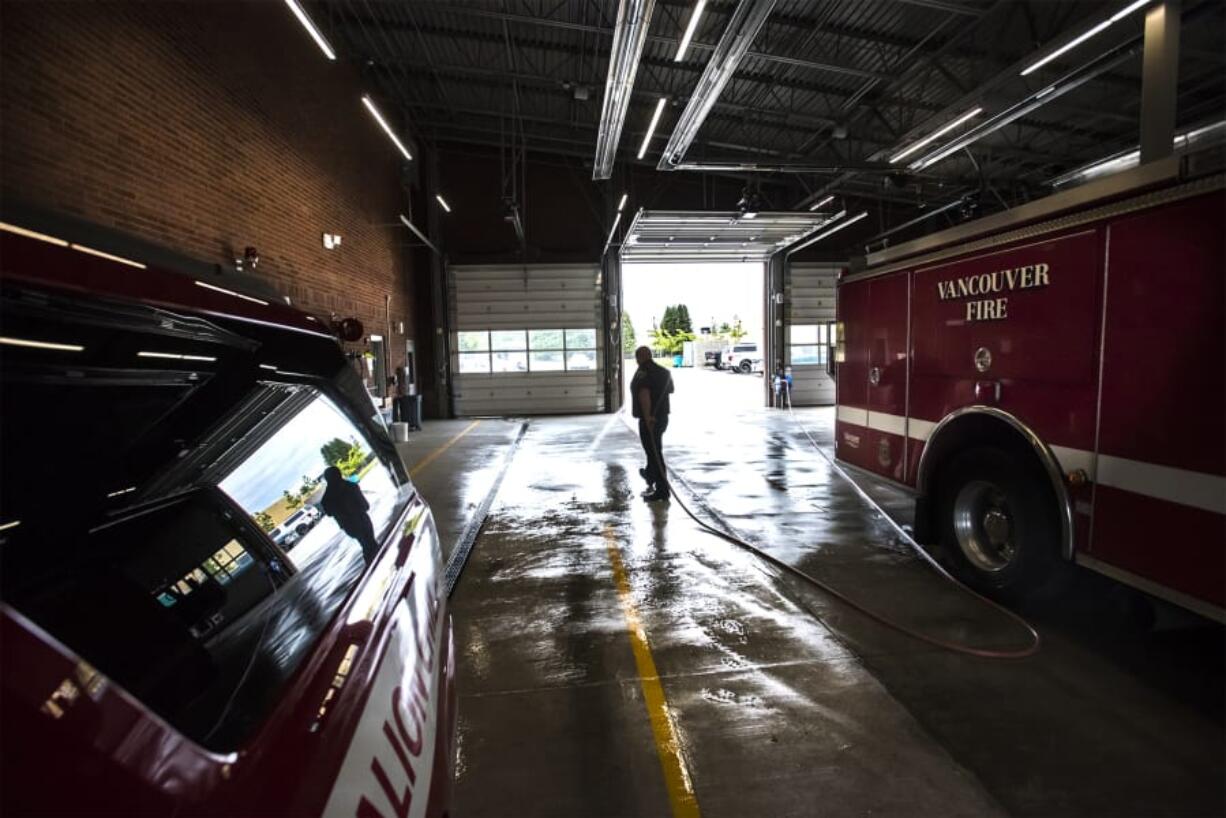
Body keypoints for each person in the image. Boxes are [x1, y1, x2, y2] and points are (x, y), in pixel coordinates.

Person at [630, 346, 674, 502]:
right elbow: (668, 391)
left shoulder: (643, 372)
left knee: (654, 453)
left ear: (639, 358)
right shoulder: (664, 371)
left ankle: (662, 490)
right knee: (653, 450)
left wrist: (648, 417)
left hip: (650, 419)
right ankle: (650, 475)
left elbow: (644, 394)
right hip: (662, 418)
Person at [319, 466, 379, 562]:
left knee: (366, 545)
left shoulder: (326, 499)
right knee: (370, 544)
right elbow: (366, 505)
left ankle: (372, 563)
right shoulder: (351, 486)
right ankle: (374, 564)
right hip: (362, 521)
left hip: (349, 527)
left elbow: (329, 513)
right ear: (339, 474)